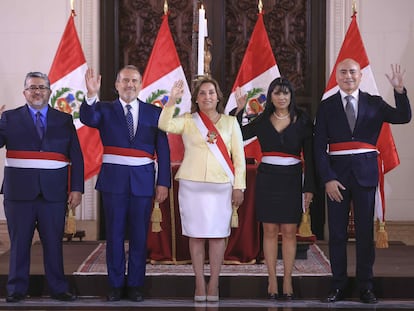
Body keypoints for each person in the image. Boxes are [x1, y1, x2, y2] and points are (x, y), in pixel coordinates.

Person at [314, 59, 411, 304]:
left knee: (365, 234)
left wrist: (400, 91)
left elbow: (403, 117)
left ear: (360, 75)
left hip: (366, 176)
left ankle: (366, 286)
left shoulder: (374, 102)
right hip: (336, 179)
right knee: (336, 234)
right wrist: (327, 178)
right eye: (343, 72)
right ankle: (337, 285)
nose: (348, 76)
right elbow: (318, 147)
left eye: (352, 72)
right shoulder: (326, 106)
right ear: (337, 76)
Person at [80, 65, 171, 302]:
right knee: (115, 234)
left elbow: (163, 149)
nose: (129, 85)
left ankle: (136, 285)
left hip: (143, 182)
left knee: (140, 236)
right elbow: (88, 118)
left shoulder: (155, 112)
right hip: (114, 182)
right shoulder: (104, 109)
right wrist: (91, 95)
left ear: (141, 85)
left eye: (134, 81)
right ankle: (115, 284)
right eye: (125, 81)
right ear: (116, 85)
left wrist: (163, 183)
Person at [158, 77, 246, 302]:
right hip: (192, 186)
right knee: (196, 236)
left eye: (211, 93)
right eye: (203, 93)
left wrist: (239, 186)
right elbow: (164, 125)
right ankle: (199, 282)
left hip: (221, 188)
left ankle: (214, 283)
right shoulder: (188, 120)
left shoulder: (230, 122)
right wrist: (172, 101)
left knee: (217, 237)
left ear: (218, 97)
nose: (208, 97)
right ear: (196, 98)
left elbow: (239, 159)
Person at [0, 72, 84, 302]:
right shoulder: (8, 118)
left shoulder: (64, 120)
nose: (37, 91)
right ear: (24, 92)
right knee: (19, 243)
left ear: (49, 91)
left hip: (54, 193)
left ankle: (58, 288)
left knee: (53, 243)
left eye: (41, 87)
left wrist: (77, 188)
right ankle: (16, 289)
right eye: (32, 88)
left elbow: (76, 156)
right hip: (19, 194)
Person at [234, 77, 315, 300]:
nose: (281, 97)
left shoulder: (303, 120)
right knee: (269, 231)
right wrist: (240, 110)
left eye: (285, 93)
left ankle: (287, 279)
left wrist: (309, 188)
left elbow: (310, 155)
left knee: (289, 232)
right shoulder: (261, 120)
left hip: (292, 180)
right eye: (277, 93)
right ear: (271, 96)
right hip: (268, 179)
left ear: (291, 96)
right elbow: (238, 134)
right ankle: (271, 279)